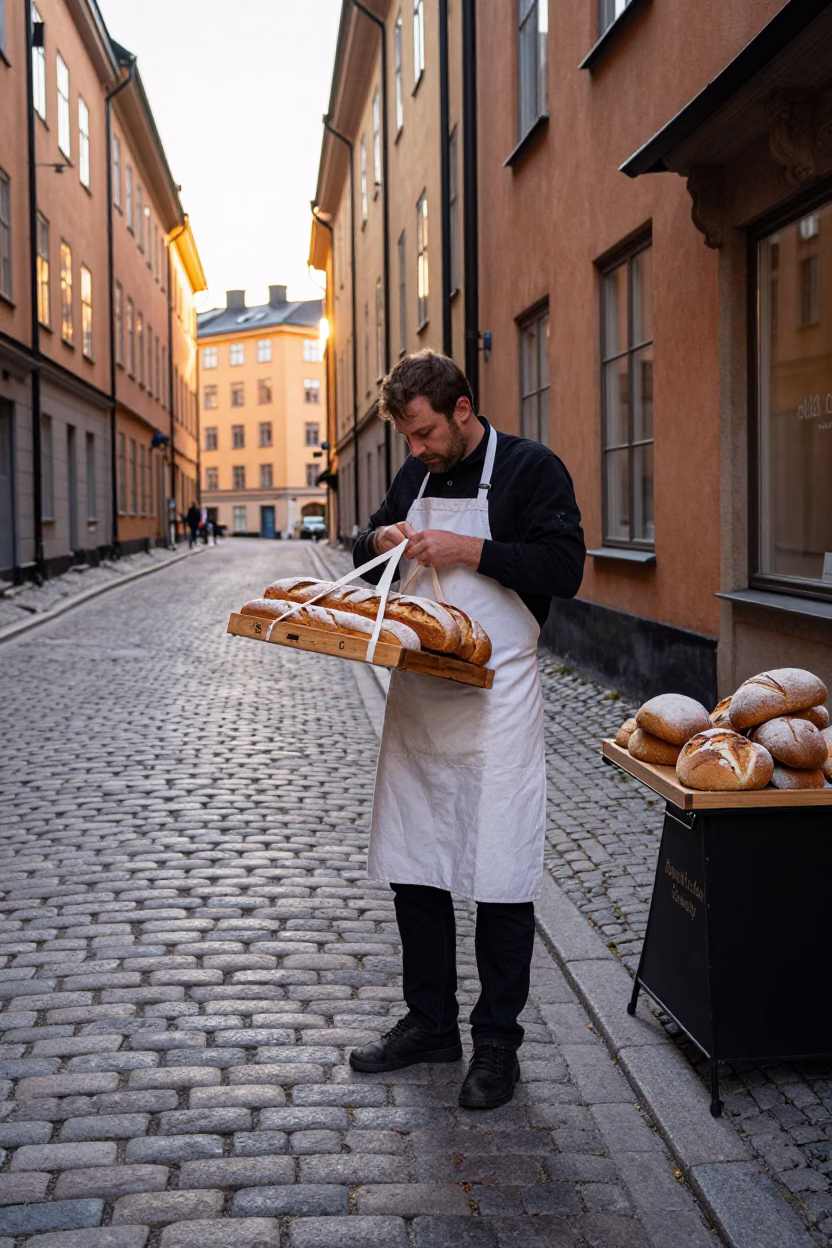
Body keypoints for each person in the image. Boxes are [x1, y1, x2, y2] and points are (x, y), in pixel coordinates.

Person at [348, 349, 585, 1109]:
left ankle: (496, 1045)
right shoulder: (415, 476)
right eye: (406, 439)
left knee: (500, 872)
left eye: (423, 434)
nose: (415, 451)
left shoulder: (529, 469)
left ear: (461, 408)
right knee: (416, 864)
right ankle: (429, 1023)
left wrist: (468, 548)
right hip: (420, 697)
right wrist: (380, 541)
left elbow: (564, 566)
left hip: (497, 700)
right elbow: (368, 545)